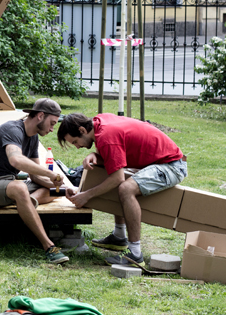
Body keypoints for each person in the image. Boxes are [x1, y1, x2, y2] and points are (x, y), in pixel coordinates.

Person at [57, 112, 187, 265]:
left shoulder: (106, 137)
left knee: (126, 188)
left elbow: (117, 178)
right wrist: (95, 155)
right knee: (112, 173)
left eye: (75, 142)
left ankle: (135, 254)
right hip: (157, 162)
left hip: (171, 166)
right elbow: (113, 159)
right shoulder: (99, 123)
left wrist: (87, 195)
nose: (77, 147)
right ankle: (119, 237)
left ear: (82, 130)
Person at [0, 98, 68, 264]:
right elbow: (16, 160)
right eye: (52, 123)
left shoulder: (33, 137)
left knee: (56, 191)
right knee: (20, 187)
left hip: (9, 184)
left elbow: (36, 176)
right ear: (40, 116)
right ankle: (49, 246)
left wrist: (63, 187)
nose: (52, 129)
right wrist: (50, 174)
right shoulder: (12, 130)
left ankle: (29, 203)